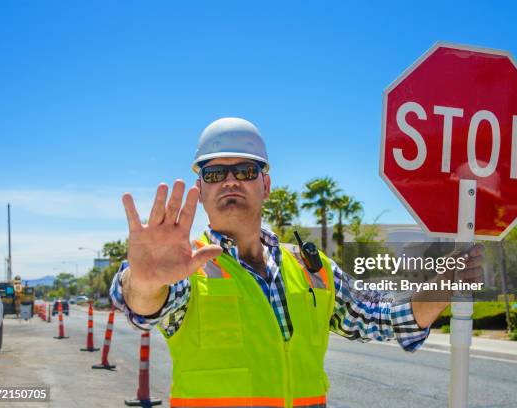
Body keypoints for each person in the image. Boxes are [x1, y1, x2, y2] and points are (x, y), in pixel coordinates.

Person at [110, 117, 484, 408]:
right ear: (202, 190)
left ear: (265, 185)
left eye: (244, 171)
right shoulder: (187, 268)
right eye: (214, 173)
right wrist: (143, 281)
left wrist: (441, 288)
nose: (230, 182)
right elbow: (146, 305)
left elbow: (380, 318)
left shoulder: (311, 267)